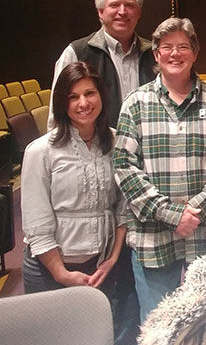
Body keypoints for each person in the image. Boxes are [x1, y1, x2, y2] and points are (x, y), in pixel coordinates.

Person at [113, 17, 206, 322]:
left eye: (183, 47)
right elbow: (124, 167)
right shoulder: (136, 103)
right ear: (156, 54)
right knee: (160, 327)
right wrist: (172, 214)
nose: (175, 54)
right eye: (167, 47)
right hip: (153, 238)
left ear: (195, 53)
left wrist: (194, 210)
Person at [22, 62, 128, 340]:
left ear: (101, 97)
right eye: (73, 96)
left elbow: (122, 208)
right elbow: (37, 222)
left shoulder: (117, 142)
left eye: (90, 93)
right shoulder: (41, 151)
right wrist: (60, 273)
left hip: (101, 268)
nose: (83, 103)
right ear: (62, 103)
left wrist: (112, 259)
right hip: (50, 270)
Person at [49, 0, 156, 129]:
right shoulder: (77, 53)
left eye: (129, 5)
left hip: (146, 148)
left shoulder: (154, 54)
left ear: (138, 12)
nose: (122, 11)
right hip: (97, 149)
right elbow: (57, 114)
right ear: (100, 12)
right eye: (114, 5)